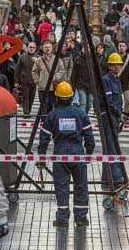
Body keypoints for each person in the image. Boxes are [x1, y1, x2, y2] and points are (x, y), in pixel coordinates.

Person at [37, 82, 95, 227]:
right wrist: (89, 152)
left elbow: (43, 139)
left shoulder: (52, 115)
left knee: (62, 187)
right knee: (81, 186)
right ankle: (81, 218)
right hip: (78, 153)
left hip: (60, 154)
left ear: (57, 98)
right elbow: (89, 136)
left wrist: (41, 158)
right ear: (71, 97)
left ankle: (62, 219)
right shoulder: (80, 114)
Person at [101, 53, 126, 187]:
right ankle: (116, 178)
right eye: (115, 64)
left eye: (119, 64)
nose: (117, 66)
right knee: (111, 148)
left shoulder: (117, 79)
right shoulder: (107, 80)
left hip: (115, 117)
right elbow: (109, 101)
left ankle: (106, 179)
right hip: (109, 118)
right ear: (110, 66)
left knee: (110, 148)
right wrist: (119, 113)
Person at [32, 41, 68, 116]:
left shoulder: (57, 59)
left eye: (49, 47)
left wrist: (56, 77)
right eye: (46, 47)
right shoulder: (39, 60)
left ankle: (49, 119)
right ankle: (43, 120)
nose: (47, 49)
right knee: (43, 105)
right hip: (43, 87)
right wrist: (38, 81)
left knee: (51, 105)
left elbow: (62, 70)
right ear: (43, 48)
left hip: (53, 87)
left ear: (52, 49)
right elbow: (34, 71)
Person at [14, 42, 38, 116]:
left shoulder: (38, 58)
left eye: (33, 47)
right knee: (25, 96)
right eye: (30, 47)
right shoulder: (22, 57)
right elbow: (17, 70)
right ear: (27, 48)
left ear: (35, 49)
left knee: (32, 96)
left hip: (34, 80)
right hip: (24, 80)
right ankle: (26, 112)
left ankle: (29, 110)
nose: (31, 49)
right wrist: (16, 81)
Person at [116, 41, 129, 122]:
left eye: (123, 46)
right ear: (118, 47)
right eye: (120, 46)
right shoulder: (114, 56)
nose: (121, 47)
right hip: (116, 82)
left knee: (128, 100)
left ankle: (126, 113)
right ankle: (118, 113)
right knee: (117, 100)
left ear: (126, 47)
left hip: (127, 82)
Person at [70, 46, 94, 114]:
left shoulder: (94, 59)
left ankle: (84, 116)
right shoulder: (77, 59)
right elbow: (74, 74)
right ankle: (82, 120)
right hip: (81, 85)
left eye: (89, 47)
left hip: (91, 85)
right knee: (83, 103)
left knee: (89, 104)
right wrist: (73, 86)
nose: (87, 49)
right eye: (85, 47)